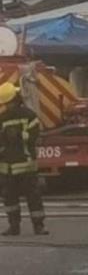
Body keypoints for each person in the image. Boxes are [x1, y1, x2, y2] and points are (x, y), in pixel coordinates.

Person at [0, 82, 47, 236]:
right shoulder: (4, 118)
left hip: (23, 165)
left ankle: (36, 226)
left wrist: (17, 136)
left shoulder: (28, 115)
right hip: (11, 166)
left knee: (30, 196)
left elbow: (33, 136)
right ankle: (17, 226)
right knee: (12, 198)